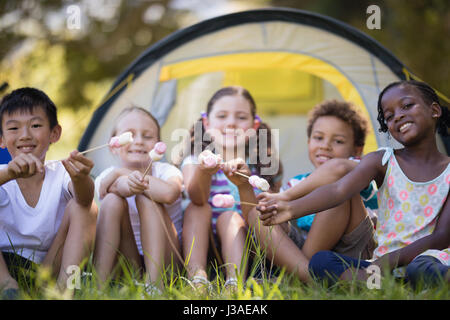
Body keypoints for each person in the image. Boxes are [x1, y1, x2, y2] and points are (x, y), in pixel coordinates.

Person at [258, 80, 450, 286]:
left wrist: (387, 262)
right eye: (389, 116)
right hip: (381, 268)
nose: (399, 116)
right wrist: (291, 209)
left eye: (407, 106)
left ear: (435, 110)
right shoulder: (382, 161)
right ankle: (382, 284)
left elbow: (442, 236)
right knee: (321, 261)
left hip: (424, 258)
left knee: (420, 268)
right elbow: (338, 189)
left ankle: (377, 283)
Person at [243, 100, 377, 283]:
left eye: (338, 141)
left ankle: (298, 280)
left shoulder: (361, 170)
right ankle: (307, 277)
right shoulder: (297, 182)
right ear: (308, 142)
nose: (325, 146)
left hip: (350, 250)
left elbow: (337, 168)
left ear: (357, 149)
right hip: (305, 250)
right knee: (257, 214)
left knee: (336, 192)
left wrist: (284, 197)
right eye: (318, 138)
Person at [180, 86, 283, 290]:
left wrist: (245, 182)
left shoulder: (263, 166)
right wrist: (204, 171)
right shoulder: (194, 160)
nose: (231, 123)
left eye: (241, 117)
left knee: (230, 217)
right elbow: (197, 197)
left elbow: (268, 214)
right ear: (207, 124)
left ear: (254, 126)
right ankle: (197, 277)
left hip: (248, 245)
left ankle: (234, 282)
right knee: (196, 208)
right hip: (205, 243)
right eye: (222, 115)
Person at [0, 87, 97, 298]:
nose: (25, 135)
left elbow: (85, 199)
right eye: (14, 128)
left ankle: (66, 289)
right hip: (5, 266)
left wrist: (81, 179)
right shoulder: (2, 175)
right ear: (1, 139)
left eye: (35, 125)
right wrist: (8, 173)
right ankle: (8, 287)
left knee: (85, 208)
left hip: (49, 266)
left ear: (54, 133)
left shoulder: (61, 173)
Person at [93, 106, 183, 293]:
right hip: (128, 259)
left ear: (159, 145)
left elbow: (168, 193)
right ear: (113, 146)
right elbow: (119, 187)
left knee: (147, 197)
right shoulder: (107, 176)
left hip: (167, 261)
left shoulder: (168, 172)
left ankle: (154, 286)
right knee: (111, 201)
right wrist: (121, 175)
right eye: (130, 135)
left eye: (148, 136)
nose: (139, 141)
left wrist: (122, 172)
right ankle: (97, 285)